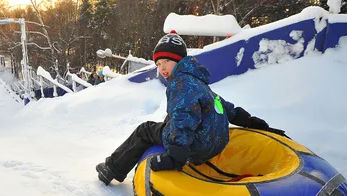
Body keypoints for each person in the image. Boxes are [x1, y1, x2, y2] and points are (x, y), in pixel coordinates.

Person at [96, 30, 269, 186]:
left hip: (197, 145)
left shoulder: (180, 83)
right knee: (170, 119)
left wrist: (176, 156)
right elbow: (223, 106)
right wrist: (251, 121)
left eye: (166, 61)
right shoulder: (197, 80)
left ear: (179, 60)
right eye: (158, 64)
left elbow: (184, 117)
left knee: (145, 130)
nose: (162, 67)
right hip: (216, 143)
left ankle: (112, 169)